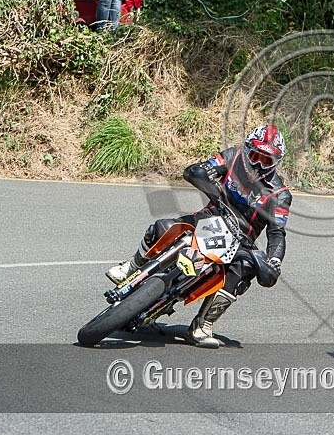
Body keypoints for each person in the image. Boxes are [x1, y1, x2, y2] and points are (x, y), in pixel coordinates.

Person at [106, 125, 292, 348]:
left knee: (244, 269)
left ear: (276, 162)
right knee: (162, 226)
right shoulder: (232, 157)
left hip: (241, 240)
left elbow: (277, 233)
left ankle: (202, 324)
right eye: (255, 156)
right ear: (246, 150)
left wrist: (273, 261)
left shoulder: (280, 195)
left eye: (267, 160)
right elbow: (199, 169)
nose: (259, 164)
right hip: (209, 217)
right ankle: (132, 266)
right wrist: (204, 178)